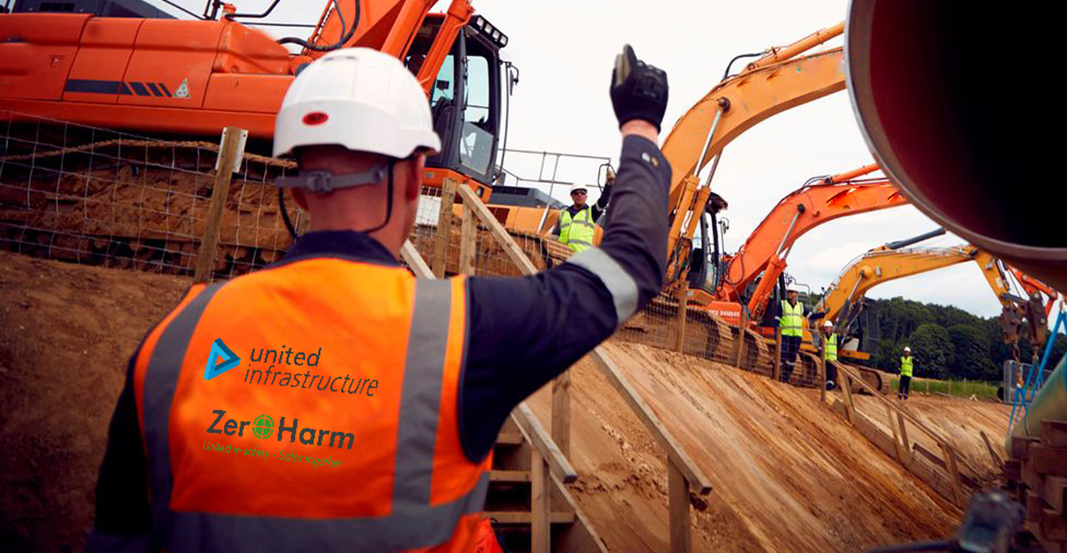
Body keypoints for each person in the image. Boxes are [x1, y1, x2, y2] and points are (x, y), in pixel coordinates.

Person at [88, 44, 671, 552]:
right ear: (416, 176)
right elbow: (630, 265)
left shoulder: (176, 339)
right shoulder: (465, 332)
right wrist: (639, 128)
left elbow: (117, 538)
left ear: (297, 174)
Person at [549, 170, 614, 252]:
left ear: (586, 196)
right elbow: (554, 237)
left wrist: (608, 185)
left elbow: (603, 201)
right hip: (562, 255)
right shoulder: (563, 214)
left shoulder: (591, 212)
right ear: (572, 196)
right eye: (576, 193)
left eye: (582, 193)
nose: (579, 195)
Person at [778, 286, 805, 384]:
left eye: (792, 292)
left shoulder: (800, 306)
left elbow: (810, 314)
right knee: (782, 354)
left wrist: (822, 314)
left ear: (796, 294)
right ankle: (777, 373)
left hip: (796, 336)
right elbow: (777, 318)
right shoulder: (782, 304)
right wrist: (776, 330)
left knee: (792, 357)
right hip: (785, 334)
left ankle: (786, 377)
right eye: (788, 292)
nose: (789, 294)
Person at [821, 320, 838, 390]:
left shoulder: (835, 337)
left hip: (832, 359)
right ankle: (827, 386)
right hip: (825, 358)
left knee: (831, 373)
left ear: (831, 328)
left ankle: (830, 387)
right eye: (826, 327)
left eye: (828, 327)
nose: (827, 329)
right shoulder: (822, 337)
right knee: (826, 373)